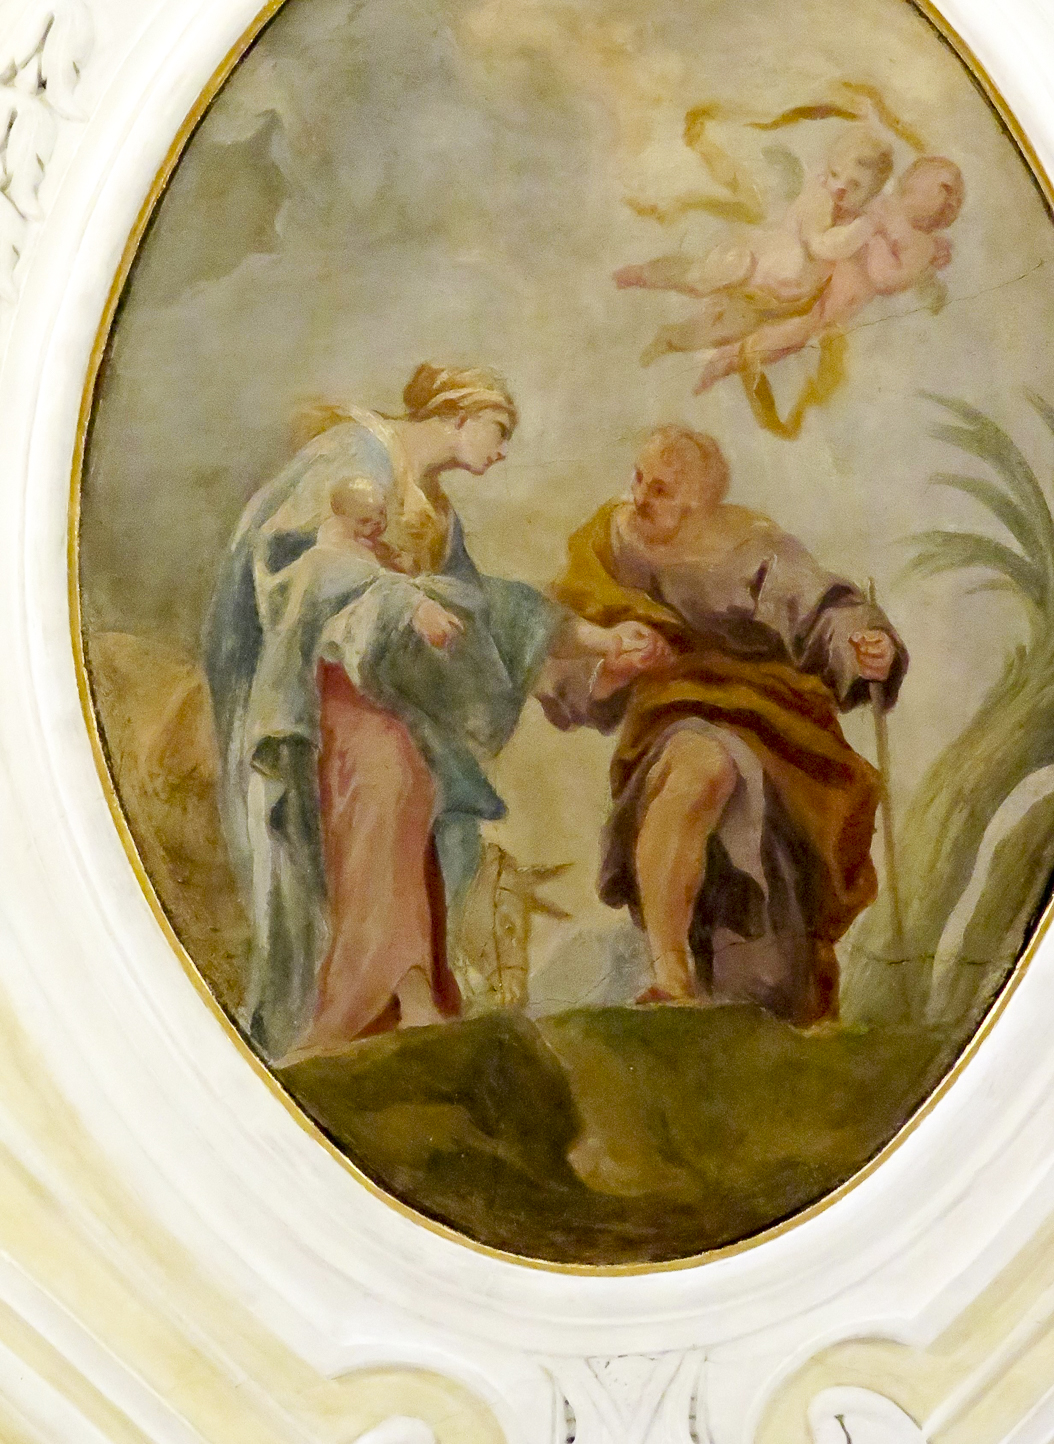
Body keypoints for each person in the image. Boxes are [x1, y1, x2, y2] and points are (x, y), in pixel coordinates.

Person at [204, 363, 648, 1061]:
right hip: (319, 690)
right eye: (498, 429)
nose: (502, 449)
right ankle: (365, 1002)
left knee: (416, 795)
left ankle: (402, 996)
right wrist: (402, 602)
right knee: (392, 782)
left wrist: (596, 641)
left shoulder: (434, 509)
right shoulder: (352, 460)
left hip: (384, 695)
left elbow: (483, 611)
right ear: (457, 415)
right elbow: (294, 573)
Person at [541, 426, 906, 1024]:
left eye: (661, 490)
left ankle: (777, 1014)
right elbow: (560, 647)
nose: (639, 497)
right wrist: (612, 668)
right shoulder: (607, 547)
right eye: (638, 479)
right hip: (674, 713)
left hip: (779, 725)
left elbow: (827, 613)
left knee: (768, 935)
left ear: (700, 501)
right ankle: (670, 976)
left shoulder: (753, 549)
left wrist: (868, 647)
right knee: (699, 765)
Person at [613, 126, 895, 365]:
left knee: (726, 328)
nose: (840, 187)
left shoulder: (855, 215)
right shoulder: (821, 201)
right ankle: (645, 273)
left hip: (772, 297)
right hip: (751, 263)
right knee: (699, 277)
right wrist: (864, 227)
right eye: (835, 174)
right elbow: (823, 246)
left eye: (855, 185)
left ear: (871, 194)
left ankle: (671, 339)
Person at [696, 155, 965, 394]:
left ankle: (730, 358)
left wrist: (876, 238)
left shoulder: (922, 245)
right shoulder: (885, 204)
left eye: (926, 189)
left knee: (797, 330)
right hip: (818, 268)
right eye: (911, 182)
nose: (910, 190)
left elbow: (885, 279)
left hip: (835, 301)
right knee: (769, 291)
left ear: (944, 205)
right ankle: (720, 302)